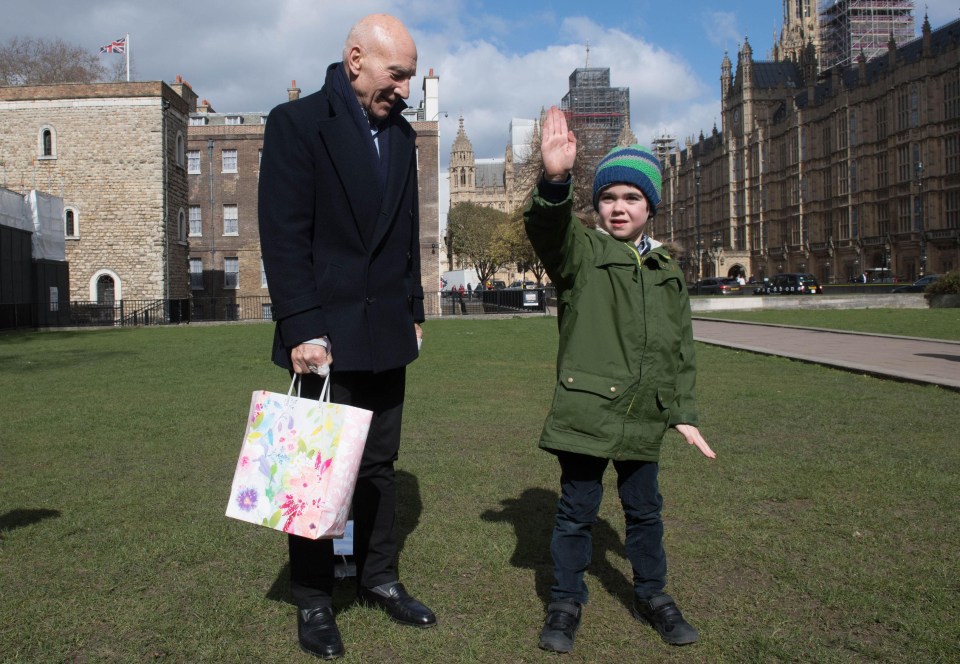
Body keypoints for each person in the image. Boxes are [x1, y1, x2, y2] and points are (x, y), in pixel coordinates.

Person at [258, 13, 434, 660]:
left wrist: (415, 310)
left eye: (412, 77)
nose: (406, 89)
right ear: (356, 59)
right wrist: (301, 326)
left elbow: (407, 236)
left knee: (380, 470)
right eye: (398, 74)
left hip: (388, 332)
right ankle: (313, 600)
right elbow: (282, 234)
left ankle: (379, 578)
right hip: (323, 338)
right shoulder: (297, 125)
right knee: (313, 473)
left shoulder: (405, 138)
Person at [524, 107, 716, 654]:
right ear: (597, 204)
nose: (618, 207)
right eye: (609, 197)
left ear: (650, 207)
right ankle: (565, 602)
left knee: (644, 511)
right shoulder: (581, 251)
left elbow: (678, 348)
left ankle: (654, 595)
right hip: (589, 408)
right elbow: (547, 228)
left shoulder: (667, 271)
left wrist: (682, 410)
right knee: (576, 511)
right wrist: (556, 180)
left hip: (644, 413)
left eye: (632, 198)